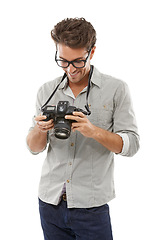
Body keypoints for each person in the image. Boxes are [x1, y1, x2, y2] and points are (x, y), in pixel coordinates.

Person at [26, 17, 140, 240]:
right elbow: (33, 148)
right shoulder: (47, 90)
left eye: (78, 61)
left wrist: (93, 131)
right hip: (50, 203)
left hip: (91, 207)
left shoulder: (116, 89)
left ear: (92, 51)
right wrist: (40, 129)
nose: (70, 69)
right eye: (63, 61)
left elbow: (132, 144)